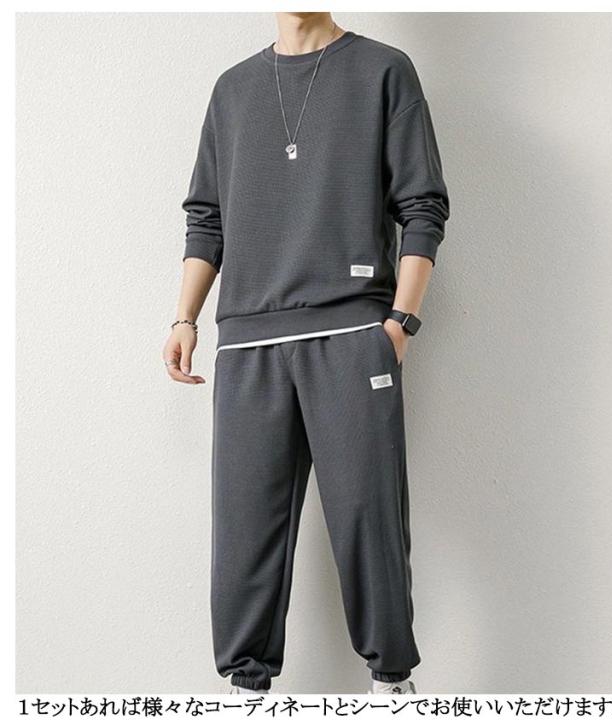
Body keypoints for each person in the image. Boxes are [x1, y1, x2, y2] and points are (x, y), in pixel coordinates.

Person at [163, 12, 450, 695]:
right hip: (249, 344)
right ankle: (245, 691)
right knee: (244, 536)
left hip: (352, 336)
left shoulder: (384, 71)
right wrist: (184, 318)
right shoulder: (233, 89)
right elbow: (206, 216)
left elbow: (423, 206)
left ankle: (391, 687)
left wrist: (401, 321)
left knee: (368, 521)